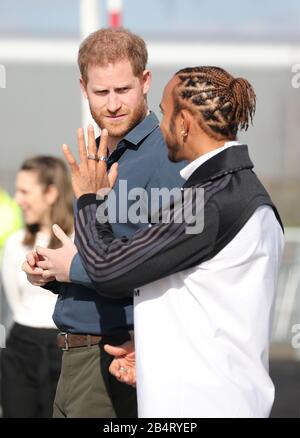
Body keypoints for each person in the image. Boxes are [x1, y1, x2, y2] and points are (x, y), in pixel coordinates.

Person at [34, 66, 284, 418]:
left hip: (205, 405)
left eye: (165, 114)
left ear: (183, 124)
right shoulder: (236, 190)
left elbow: (108, 270)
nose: (160, 124)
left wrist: (91, 198)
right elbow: (199, 300)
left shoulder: (209, 203)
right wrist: (150, 353)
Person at [22, 28, 185, 418]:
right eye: (101, 92)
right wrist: (56, 273)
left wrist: (73, 267)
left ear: (146, 82)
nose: (112, 104)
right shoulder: (105, 157)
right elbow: (111, 250)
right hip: (74, 359)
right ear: (83, 88)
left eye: (123, 89)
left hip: (114, 359)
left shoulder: (164, 159)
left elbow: (160, 267)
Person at [1, 156, 73, 418]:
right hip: (20, 349)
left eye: (24, 191)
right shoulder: (15, 244)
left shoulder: (76, 242)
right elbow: (14, 302)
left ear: (51, 193)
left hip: (64, 350)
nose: (18, 199)